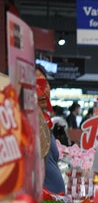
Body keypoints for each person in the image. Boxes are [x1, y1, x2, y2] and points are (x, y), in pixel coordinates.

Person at [36, 66, 66, 194]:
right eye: (35, 84)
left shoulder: (44, 121)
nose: (42, 90)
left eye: (44, 83)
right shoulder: (23, 123)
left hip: (53, 199)